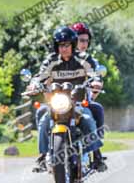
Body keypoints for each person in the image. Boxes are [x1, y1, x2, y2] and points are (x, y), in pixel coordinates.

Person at [29, 26, 104, 172]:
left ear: (73, 44)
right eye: (60, 45)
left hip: (77, 103)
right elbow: (41, 76)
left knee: (88, 120)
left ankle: (96, 156)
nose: (63, 48)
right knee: (44, 119)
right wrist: (33, 84)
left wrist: (96, 81)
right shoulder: (51, 60)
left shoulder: (83, 59)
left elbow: (94, 74)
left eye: (67, 45)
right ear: (56, 46)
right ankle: (43, 156)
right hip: (57, 103)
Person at [71, 22, 105, 143]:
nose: (84, 44)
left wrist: (97, 82)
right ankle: (45, 154)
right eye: (81, 40)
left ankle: (97, 153)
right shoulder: (60, 58)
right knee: (42, 113)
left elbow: (96, 75)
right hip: (61, 101)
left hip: (81, 101)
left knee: (98, 109)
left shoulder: (90, 60)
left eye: (86, 40)